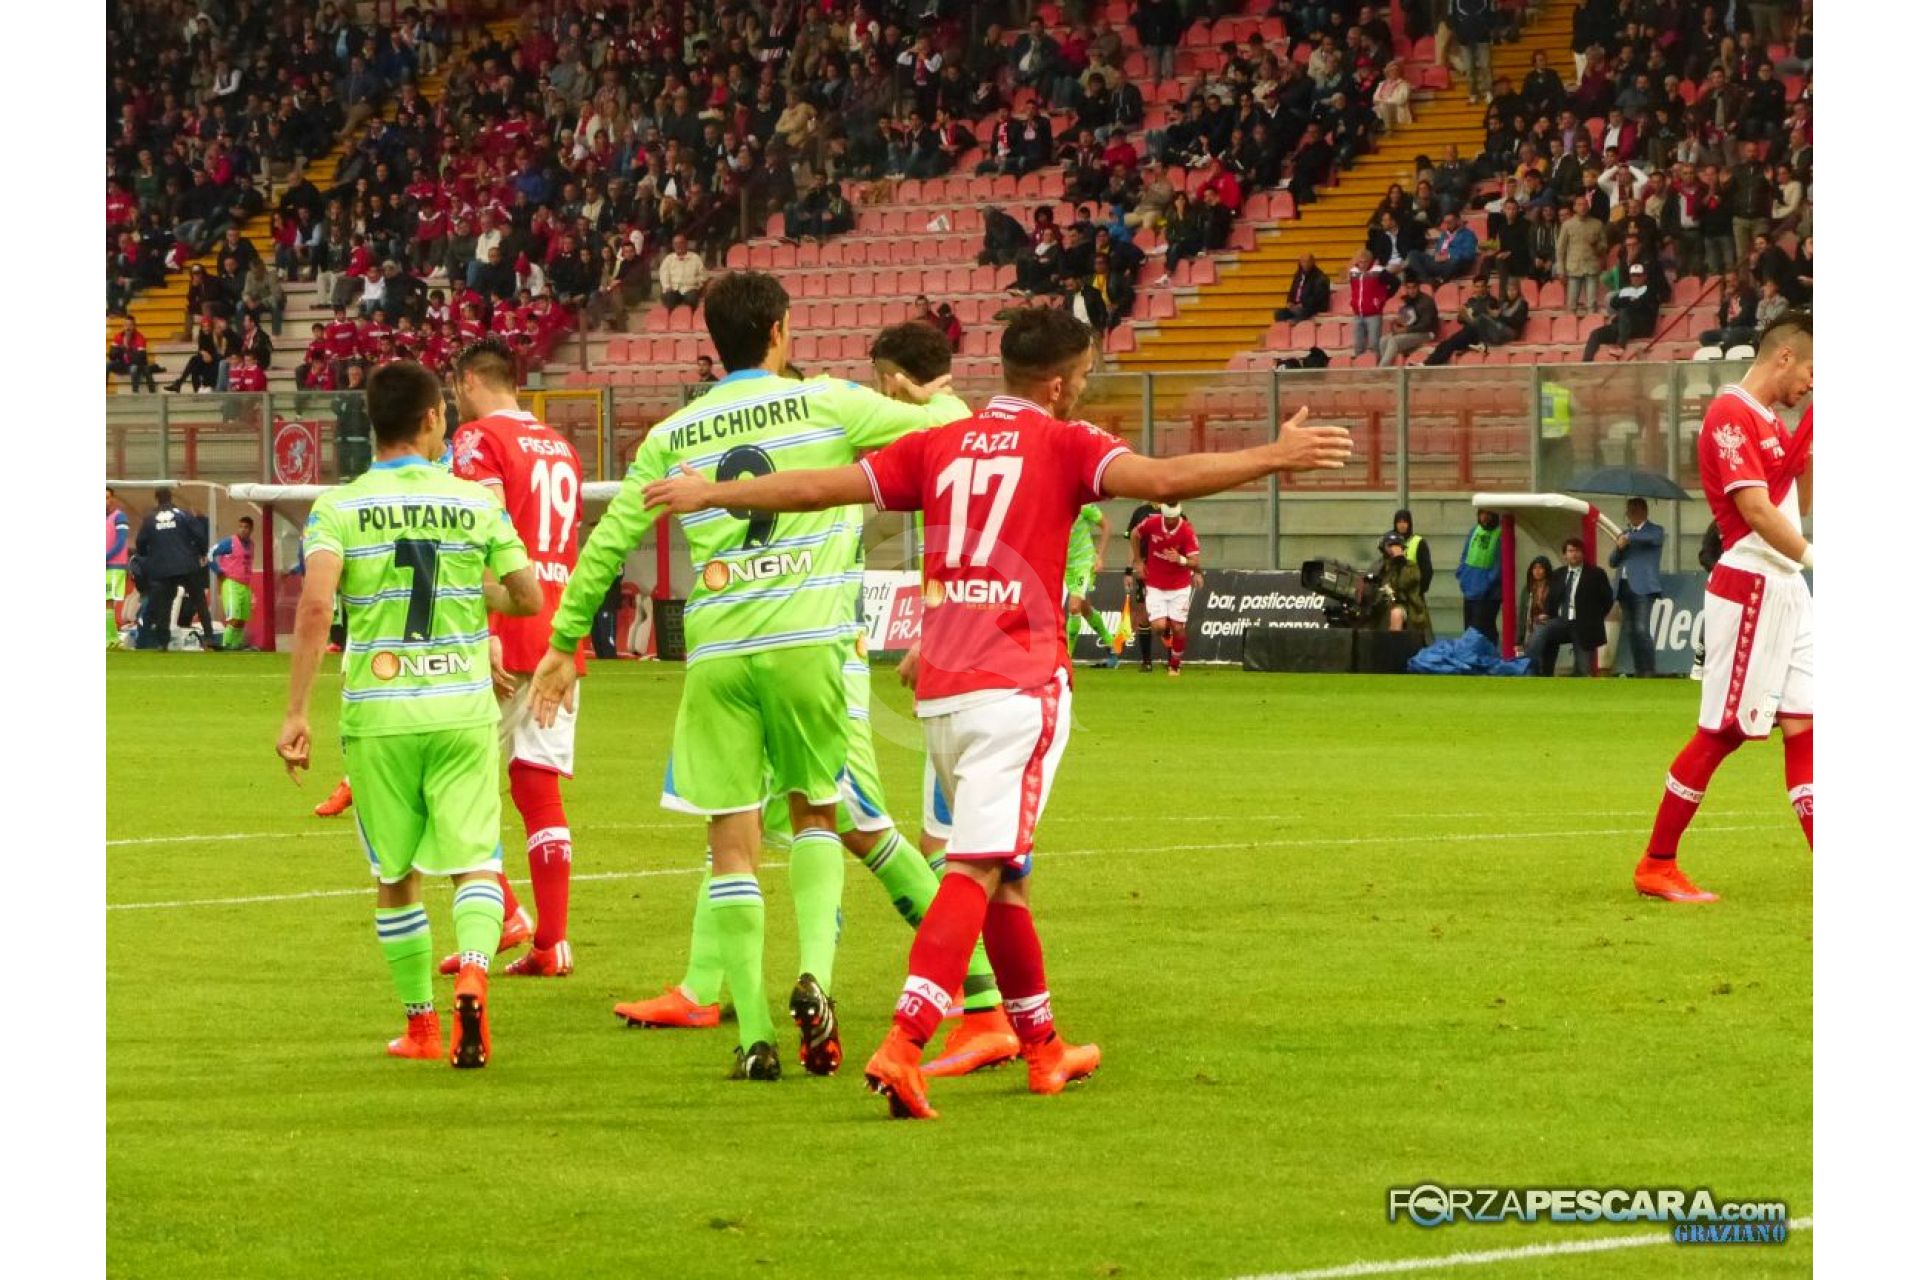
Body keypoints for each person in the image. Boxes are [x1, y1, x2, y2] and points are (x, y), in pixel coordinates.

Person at [636, 306, 1352, 1119]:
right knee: (977, 866)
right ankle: (904, 1043)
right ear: (1060, 384)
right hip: (1016, 688)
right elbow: (1162, 481)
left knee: (1006, 872)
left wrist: (713, 491)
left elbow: (816, 487)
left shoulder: (942, 443)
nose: (1084, 389)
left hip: (942, 693)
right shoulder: (1065, 443)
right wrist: (1277, 455)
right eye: (1085, 377)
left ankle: (1043, 1047)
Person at [527, 272, 969, 1082]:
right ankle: (817, 980)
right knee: (819, 814)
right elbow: (951, 429)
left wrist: (563, 642)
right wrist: (925, 394)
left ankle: (756, 1036)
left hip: (719, 652)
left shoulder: (674, 433)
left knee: (730, 842)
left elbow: (608, 541)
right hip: (809, 645)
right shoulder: (827, 402)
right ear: (779, 331)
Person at [607, 320, 1019, 1080]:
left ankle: (981, 998)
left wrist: (932, 398)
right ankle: (706, 985)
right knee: (754, 824)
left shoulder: (829, 426)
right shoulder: (826, 423)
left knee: (847, 829)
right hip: (798, 653)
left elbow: (946, 446)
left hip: (815, 656)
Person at [275, 360, 542, 1067]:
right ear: (430, 419)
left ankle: (422, 1028)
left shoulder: (338, 507)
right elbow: (527, 596)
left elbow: (316, 606)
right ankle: (475, 973)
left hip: (379, 716)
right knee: (477, 862)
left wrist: (297, 712)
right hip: (461, 710)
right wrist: (470, 593)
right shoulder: (473, 503)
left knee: (396, 877)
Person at [1636, 316, 1813, 903]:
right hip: (1752, 581)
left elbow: (1796, 504)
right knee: (1723, 731)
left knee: (1808, 723)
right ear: (1785, 357)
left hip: (1787, 584)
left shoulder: (1773, 422)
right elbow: (1756, 512)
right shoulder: (1730, 414)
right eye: (1811, 370)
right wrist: (1817, 557)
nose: (1812, 383)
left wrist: (1814, 446)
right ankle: (1657, 863)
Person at [432, 338, 591, 979]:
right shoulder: (561, 446)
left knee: (445, 782)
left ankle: (502, 914)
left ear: (469, 380)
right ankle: (551, 944)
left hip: (504, 626)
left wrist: (489, 625)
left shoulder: (477, 439)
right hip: (558, 631)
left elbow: (483, 529)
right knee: (537, 786)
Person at [1525, 538, 1615, 676]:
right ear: (1565, 555)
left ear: (1583, 554)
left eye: (1577, 551)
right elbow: (1551, 599)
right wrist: (1546, 613)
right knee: (1541, 628)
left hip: (1584, 625)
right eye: (1570, 551)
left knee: (1583, 670)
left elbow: (1607, 599)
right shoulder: (1558, 574)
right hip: (1561, 622)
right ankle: (1527, 668)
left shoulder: (1596, 574)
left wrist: (1595, 618)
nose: (1574, 554)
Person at [133, 487, 209, 650]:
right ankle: (210, 639)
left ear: (156, 499)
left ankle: (163, 642)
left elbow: (140, 543)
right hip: (187, 565)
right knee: (199, 601)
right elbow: (199, 535)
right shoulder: (183, 515)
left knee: (164, 605)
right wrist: (202, 552)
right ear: (171, 498)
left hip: (162, 568)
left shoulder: (150, 519)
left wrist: (148, 555)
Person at [1134, 502, 1201, 676]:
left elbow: (1195, 561)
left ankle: (1175, 665)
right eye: (1168, 518)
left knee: (1178, 628)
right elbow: (1135, 534)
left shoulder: (1187, 530)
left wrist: (1180, 559)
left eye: (1174, 518)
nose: (1171, 521)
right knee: (1158, 627)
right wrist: (1138, 561)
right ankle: (1167, 626)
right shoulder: (1152, 523)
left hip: (1179, 586)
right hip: (1155, 584)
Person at [1610, 498, 1666, 677]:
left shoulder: (1654, 530)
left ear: (1644, 511)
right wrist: (1619, 547)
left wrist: (1629, 538)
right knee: (1630, 631)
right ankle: (1638, 669)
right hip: (1624, 586)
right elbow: (1612, 561)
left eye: (1633, 511)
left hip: (1643, 588)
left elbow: (1653, 538)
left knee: (1641, 628)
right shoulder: (1624, 534)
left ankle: (1649, 669)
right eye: (1629, 511)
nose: (1630, 514)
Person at [1065, 501, 1119, 666]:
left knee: (1074, 607)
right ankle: (1111, 645)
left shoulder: (1084, 506)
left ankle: (1065, 659)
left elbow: (1106, 526)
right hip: (1064, 564)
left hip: (1084, 562)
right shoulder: (1054, 507)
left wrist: (1100, 556)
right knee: (1084, 608)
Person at [1582, 262, 1660, 361]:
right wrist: (1630, 300)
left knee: (1624, 311)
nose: (1635, 278)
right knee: (1596, 334)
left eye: (1638, 275)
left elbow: (1640, 305)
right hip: (1623, 326)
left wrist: (1628, 302)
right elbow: (1614, 302)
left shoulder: (1650, 290)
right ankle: (1586, 362)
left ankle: (1621, 346)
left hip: (1641, 326)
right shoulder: (1626, 290)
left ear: (1644, 276)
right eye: (1633, 275)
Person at [206, 516, 256, 651]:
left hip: (245, 585)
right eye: (241, 527)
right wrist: (218, 571)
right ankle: (226, 644)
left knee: (242, 620)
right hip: (232, 583)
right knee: (233, 618)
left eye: (246, 527)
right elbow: (210, 553)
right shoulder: (230, 542)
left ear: (251, 529)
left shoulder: (251, 545)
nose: (243, 530)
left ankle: (236, 645)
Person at [1372, 534, 1431, 642]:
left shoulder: (1410, 567)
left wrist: (1399, 561)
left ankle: (1394, 648)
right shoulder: (1380, 565)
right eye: (1390, 545)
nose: (1393, 548)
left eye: (1396, 545)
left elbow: (1403, 584)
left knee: (1396, 614)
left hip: (1406, 605)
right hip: (1380, 605)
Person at [1456, 508, 1502, 642]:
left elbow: (1500, 564)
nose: (1485, 517)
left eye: (1488, 514)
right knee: (1469, 629)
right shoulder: (1474, 531)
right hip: (1470, 588)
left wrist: (1487, 583)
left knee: (1483, 630)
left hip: (1489, 593)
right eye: (1482, 514)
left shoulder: (1500, 534)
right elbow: (1465, 555)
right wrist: (1462, 575)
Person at [1378, 278, 1438, 366]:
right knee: (1383, 340)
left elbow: (1425, 325)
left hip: (1427, 333)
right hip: (1411, 331)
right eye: (1409, 288)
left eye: (1414, 287)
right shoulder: (1408, 300)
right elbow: (1407, 319)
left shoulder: (1427, 301)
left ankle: (1381, 369)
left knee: (1394, 341)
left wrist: (1405, 330)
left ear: (1418, 287)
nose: (1411, 291)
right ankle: (1388, 368)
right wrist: (1397, 324)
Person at [1273, 253, 1330, 323]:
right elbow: (1292, 290)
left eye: (1308, 261)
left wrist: (1303, 304)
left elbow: (1317, 297)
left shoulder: (1320, 277)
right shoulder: (1298, 275)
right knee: (1279, 314)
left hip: (1312, 307)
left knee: (1302, 313)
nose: (1306, 264)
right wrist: (1289, 302)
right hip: (1297, 306)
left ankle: (1296, 322)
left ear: (1313, 262)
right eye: (1303, 261)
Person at [1387, 508, 1433, 594]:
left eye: (1405, 522)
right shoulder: (1389, 542)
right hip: (1393, 592)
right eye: (1399, 522)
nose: (1402, 525)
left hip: (1413, 592)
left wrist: (1420, 590)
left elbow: (1427, 570)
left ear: (1409, 524)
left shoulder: (1419, 542)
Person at [107, 489, 131, 647]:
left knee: (108, 601)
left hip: (114, 565)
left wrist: (106, 557)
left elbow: (121, 541)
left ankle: (110, 638)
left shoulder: (119, 517)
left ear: (113, 499)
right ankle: (111, 637)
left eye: (107, 497)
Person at [658, 234, 707, 311]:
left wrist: (697, 285)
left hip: (690, 289)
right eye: (676, 244)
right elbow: (663, 275)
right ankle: (672, 317)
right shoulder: (668, 259)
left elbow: (703, 276)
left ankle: (690, 317)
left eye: (681, 243)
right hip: (673, 289)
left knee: (692, 297)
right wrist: (667, 287)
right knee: (669, 297)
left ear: (686, 244)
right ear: (673, 246)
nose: (678, 246)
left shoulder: (695, 258)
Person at [1518, 554, 1555, 651]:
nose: (1537, 571)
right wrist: (1519, 640)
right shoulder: (1528, 589)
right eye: (1534, 568)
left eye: (1540, 568)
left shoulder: (1553, 587)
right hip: (1531, 630)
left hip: (1549, 628)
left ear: (1546, 570)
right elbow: (1522, 614)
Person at [108, 321, 158, 392]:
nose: (128, 328)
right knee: (107, 365)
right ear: (123, 327)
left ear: (134, 327)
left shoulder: (139, 337)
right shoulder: (118, 336)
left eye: (130, 325)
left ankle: (135, 393)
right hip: (123, 365)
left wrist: (128, 348)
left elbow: (141, 358)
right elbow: (112, 356)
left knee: (133, 368)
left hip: (136, 365)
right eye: (126, 325)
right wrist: (120, 348)